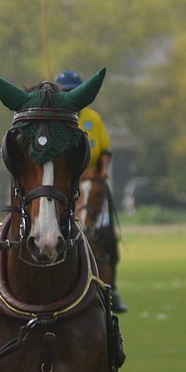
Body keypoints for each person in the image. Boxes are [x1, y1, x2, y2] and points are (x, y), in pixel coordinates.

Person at [55, 69, 127, 312]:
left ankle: (111, 289)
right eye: (65, 92)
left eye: (73, 91)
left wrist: (104, 171)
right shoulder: (56, 120)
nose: (69, 96)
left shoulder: (92, 118)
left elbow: (105, 151)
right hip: (67, 188)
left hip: (93, 185)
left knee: (106, 238)